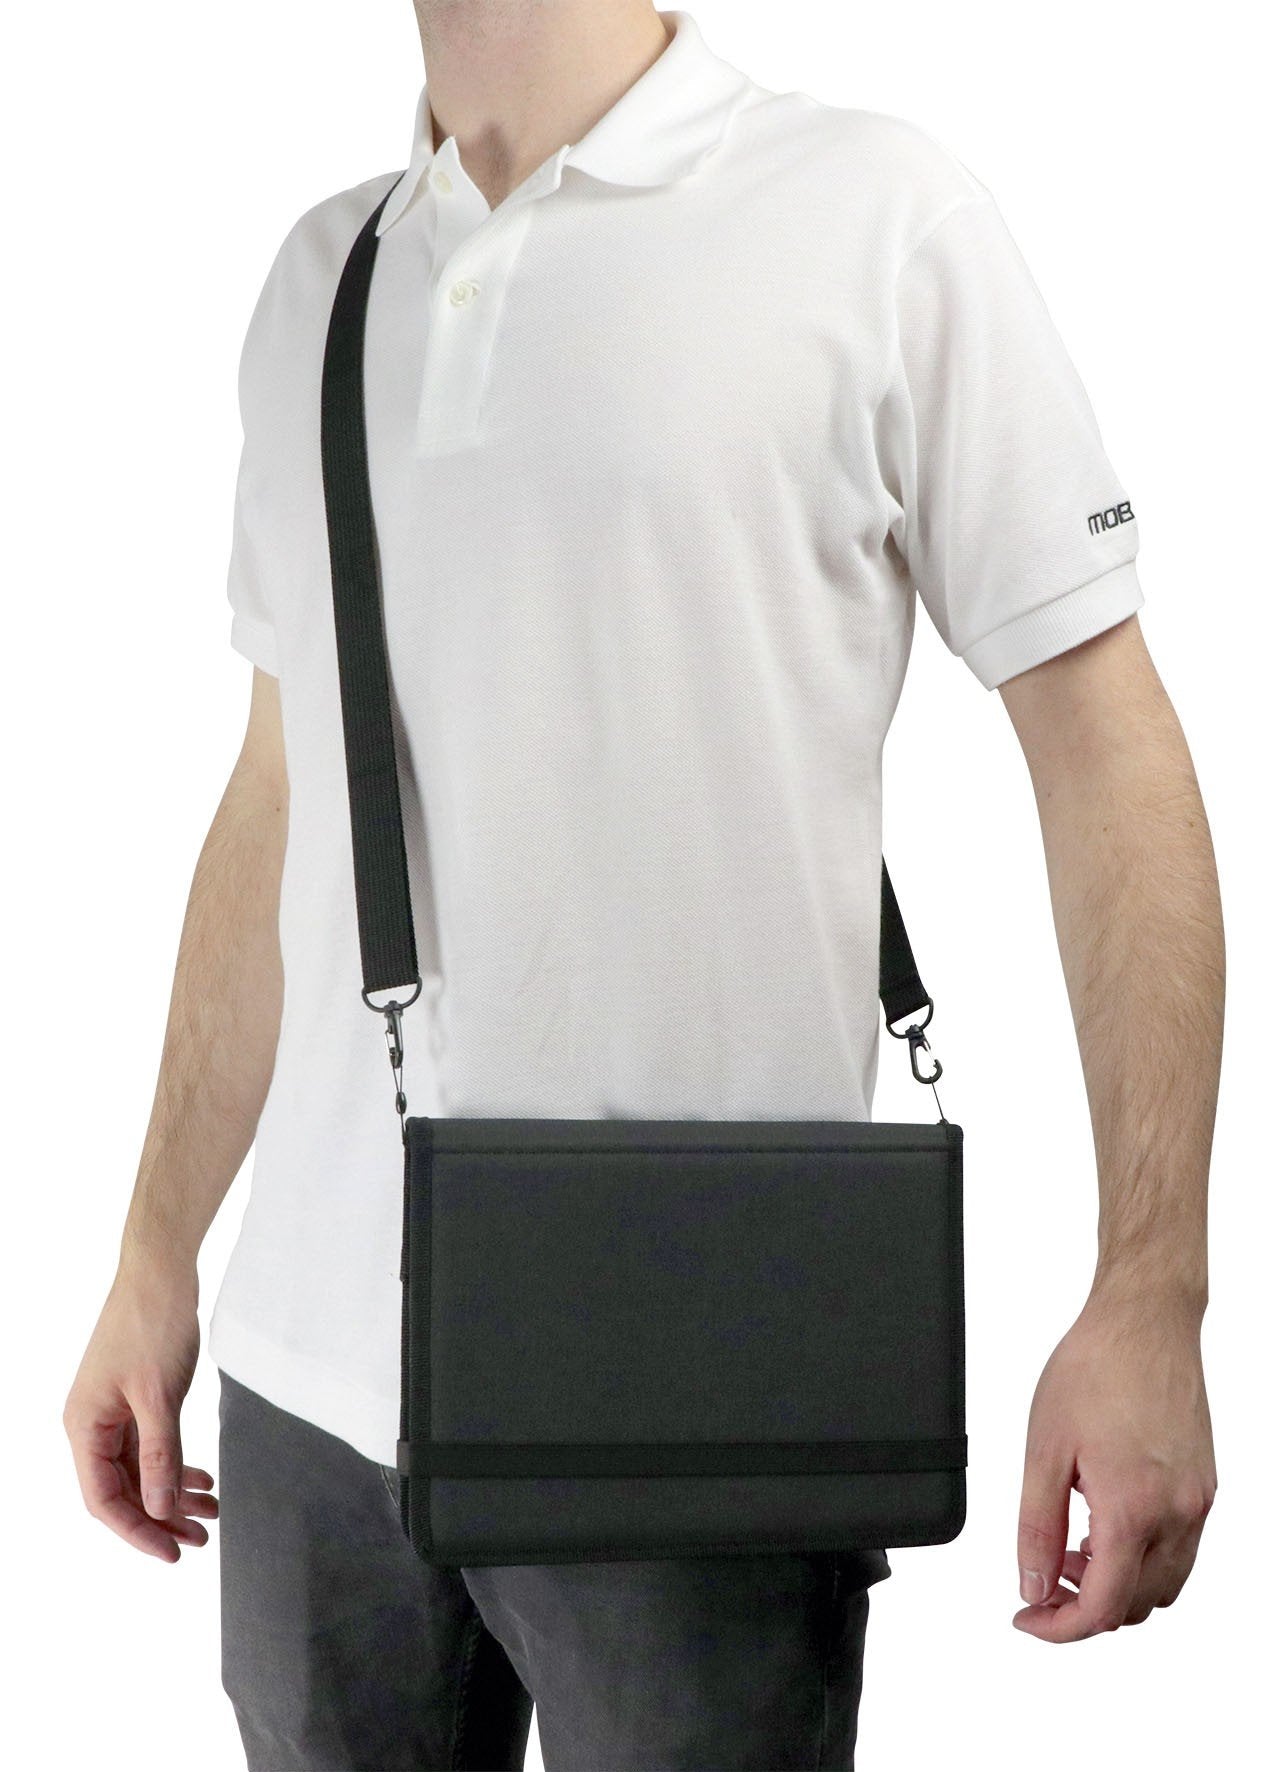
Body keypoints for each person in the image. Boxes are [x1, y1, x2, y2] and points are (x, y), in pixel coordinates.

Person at [62, 4, 1222, 1767]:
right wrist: (153, 1251)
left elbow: (1104, 751)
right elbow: (282, 790)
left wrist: (1151, 1289)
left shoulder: (874, 212)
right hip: (305, 1399)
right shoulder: (325, 274)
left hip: (692, 1377)